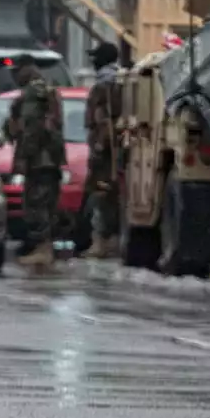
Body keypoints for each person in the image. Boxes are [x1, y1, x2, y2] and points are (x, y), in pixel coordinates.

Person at [3, 55, 67, 272]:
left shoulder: (32, 94)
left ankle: (42, 250)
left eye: (16, 71)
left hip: (40, 159)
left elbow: (30, 130)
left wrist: (22, 158)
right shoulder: (47, 88)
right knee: (47, 203)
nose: (14, 77)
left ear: (26, 70)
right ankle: (44, 248)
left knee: (36, 203)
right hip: (50, 158)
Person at [83, 41, 123, 259]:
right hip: (111, 149)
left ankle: (102, 242)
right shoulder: (118, 81)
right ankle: (110, 240)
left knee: (101, 194)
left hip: (105, 152)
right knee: (110, 195)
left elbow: (105, 120)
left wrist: (100, 145)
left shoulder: (105, 85)